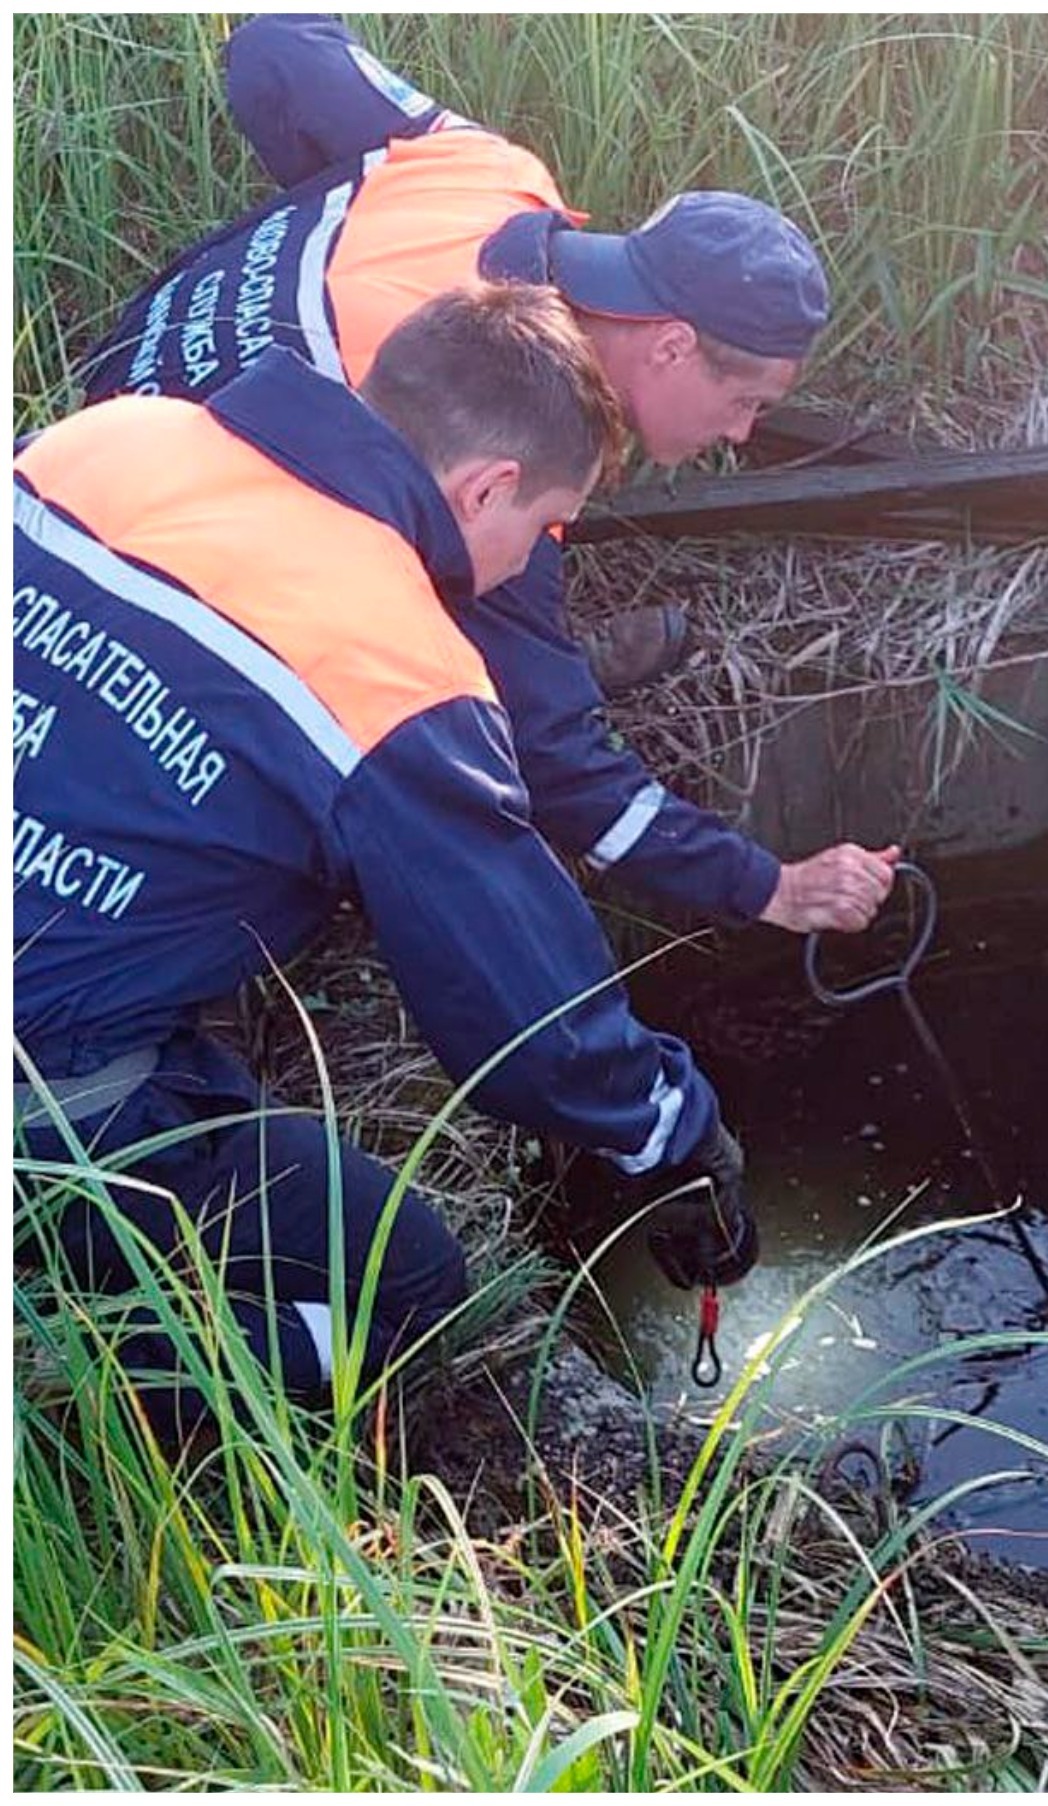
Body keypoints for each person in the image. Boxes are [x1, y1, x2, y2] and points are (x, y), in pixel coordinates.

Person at [13, 284, 756, 1437]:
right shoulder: (392, 669)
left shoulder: (112, 439)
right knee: (400, 1297)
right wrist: (677, 1135)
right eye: (545, 528)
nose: (524, 565)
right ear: (486, 489)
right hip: (42, 1093)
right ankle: (60, 1382)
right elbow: (523, 1019)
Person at [72, 12, 897, 942]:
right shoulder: (496, 472)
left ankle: (526, 667)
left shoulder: (482, 170)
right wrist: (770, 888)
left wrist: (321, 221)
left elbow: (275, 44)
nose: (742, 435)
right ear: (670, 346)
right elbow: (565, 773)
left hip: (104, 414)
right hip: (152, 537)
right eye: (747, 401)